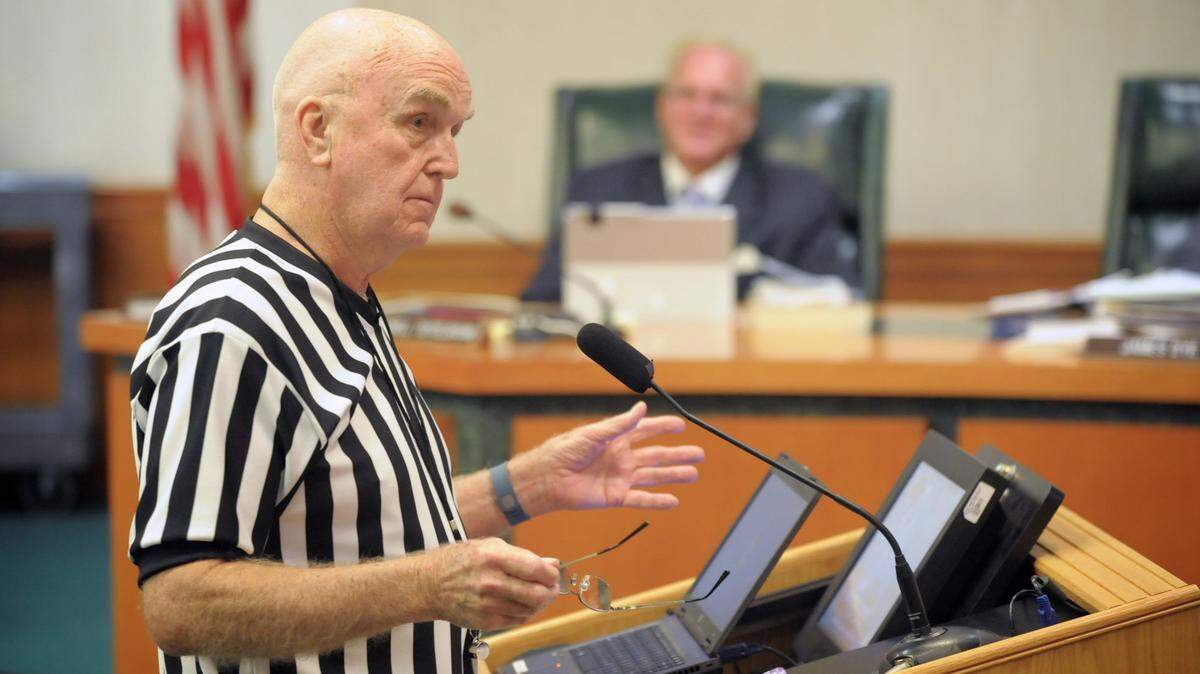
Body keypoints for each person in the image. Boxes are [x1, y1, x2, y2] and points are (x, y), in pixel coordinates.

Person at [129, 9, 704, 674]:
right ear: (319, 131)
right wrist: (427, 585)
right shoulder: (232, 322)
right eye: (419, 124)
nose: (450, 163)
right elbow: (178, 600)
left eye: (455, 132)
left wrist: (530, 484)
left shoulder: (344, 293)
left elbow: (355, 521)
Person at [521, 41, 859, 302]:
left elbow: (840, 304)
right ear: (661, 106)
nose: (701, 112)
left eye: (721, 99)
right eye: (686, 94)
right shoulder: (597, 189)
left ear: (749, 116)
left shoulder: (799, 199)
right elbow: (544, 305)